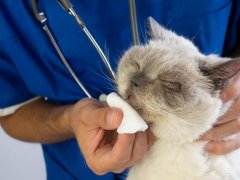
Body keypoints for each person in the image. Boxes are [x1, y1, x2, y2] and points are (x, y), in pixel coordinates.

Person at [0, 0, 240, 179]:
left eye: (168, 83)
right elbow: (13, 110)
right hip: (75, 168)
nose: (138, 83)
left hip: (217, 144)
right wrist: (71, 120)